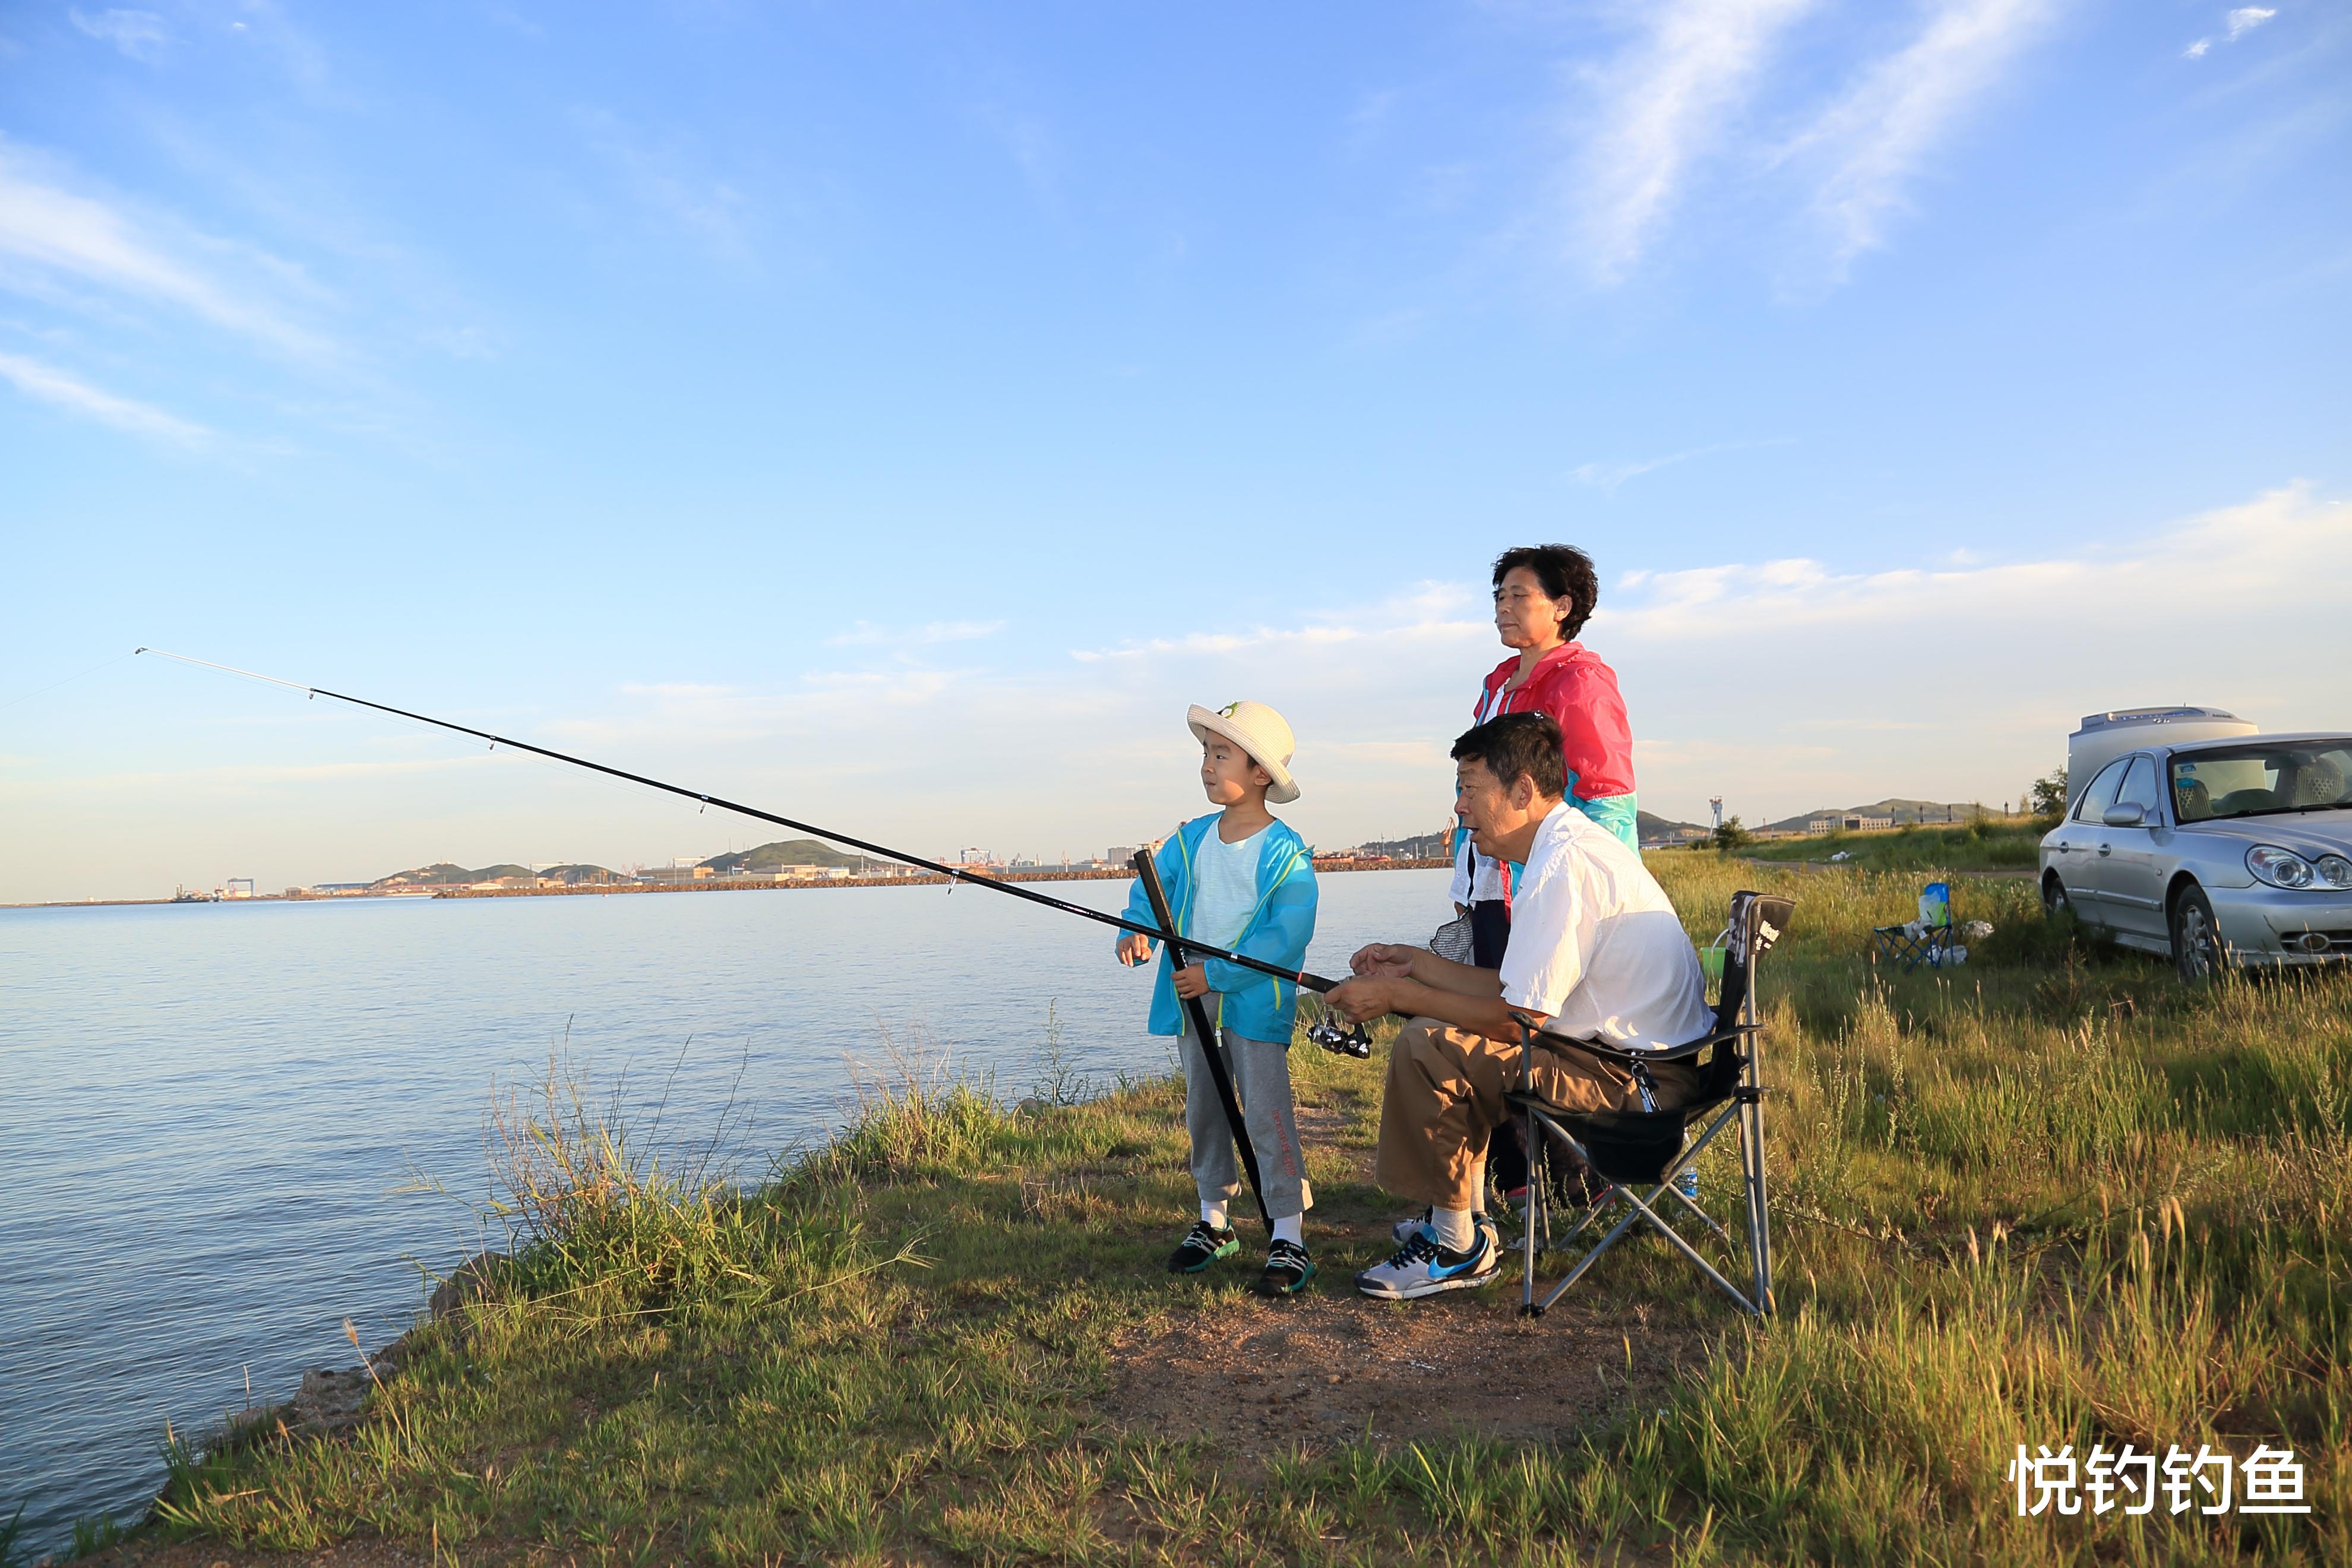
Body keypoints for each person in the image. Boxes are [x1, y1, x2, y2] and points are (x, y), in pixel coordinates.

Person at [1328, 712, 1711, 1301]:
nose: (1459, 807)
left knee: (1427, 1044)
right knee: (1435, 1029)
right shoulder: (1565, 849)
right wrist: (1413, 963)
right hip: (1632, 1062)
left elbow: (1516, 1022)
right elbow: (1516, 989)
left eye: (1469, 789)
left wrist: (1397, 998)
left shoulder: (1563, 867)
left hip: (1634, 1084)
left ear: (1524, 790)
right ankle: (1457, 1221)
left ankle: (1457, 1247)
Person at [1450, 544, 1640, 1208]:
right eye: (1498, 595)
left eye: (1519, 595)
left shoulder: (1580, 681)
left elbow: (1607, 796)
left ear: (1562, 607)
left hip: (1542, 887)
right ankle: (1518, 1178)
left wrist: (1580, 888)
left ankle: (1589, 1180)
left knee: (1540, 1028)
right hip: (1487, 884)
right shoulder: (1498, 680)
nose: (1504, 605)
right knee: (1493, 1023)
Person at [1115, 700, 1322, 1298]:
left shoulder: (1286, 852)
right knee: (1204, 1107)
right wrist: (1138, 932)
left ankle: (1289, 1232)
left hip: (1251, 997)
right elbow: (1154, 889)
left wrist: (1220, 975)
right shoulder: (1190, 840)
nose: (1207, 765)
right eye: (1205, 752)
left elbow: (1287, 933)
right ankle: (1214, 1220)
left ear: (1260, 773)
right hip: (1191, 993)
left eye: (1221, 753)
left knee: (1265, 1110)